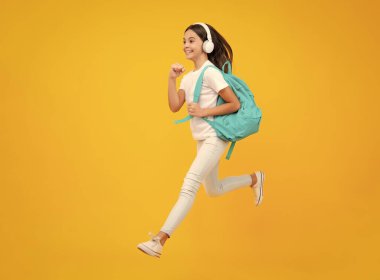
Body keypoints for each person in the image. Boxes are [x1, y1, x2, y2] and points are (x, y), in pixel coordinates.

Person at [137, 22, 265, 258]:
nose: (186, 45)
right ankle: (254, 178)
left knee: (189, 185)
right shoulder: (190, 77)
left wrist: (204, 112)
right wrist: (171, 79)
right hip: (202, 139)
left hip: (215, 137)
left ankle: (159, 240)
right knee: (213, 190)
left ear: (206, 44)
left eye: (191, 41)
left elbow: (234, 104)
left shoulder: (211, 73)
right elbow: (175, 106)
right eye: (184, 41)